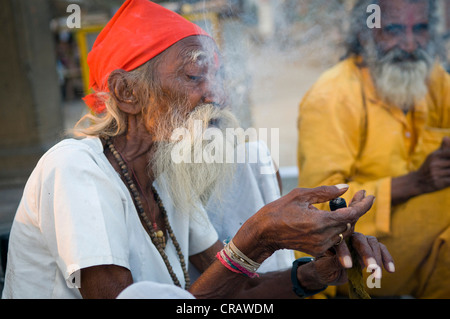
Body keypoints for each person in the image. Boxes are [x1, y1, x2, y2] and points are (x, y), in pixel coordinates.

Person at [2, 0, 394, 299]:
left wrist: (313, 274)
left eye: (216, 75)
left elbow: (238, 292)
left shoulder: (166, 177)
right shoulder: (73, 168)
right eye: (194, 75)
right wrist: (257, 236)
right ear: (127, 93)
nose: (217, 95)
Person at [297, 0, 450, 298]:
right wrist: (414, 183)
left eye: (419, 29)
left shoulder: (433, 80)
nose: (409, 44)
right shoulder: (332, 96)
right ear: (365, 33)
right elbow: (316, 209)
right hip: (355, 254)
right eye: (393, 30)